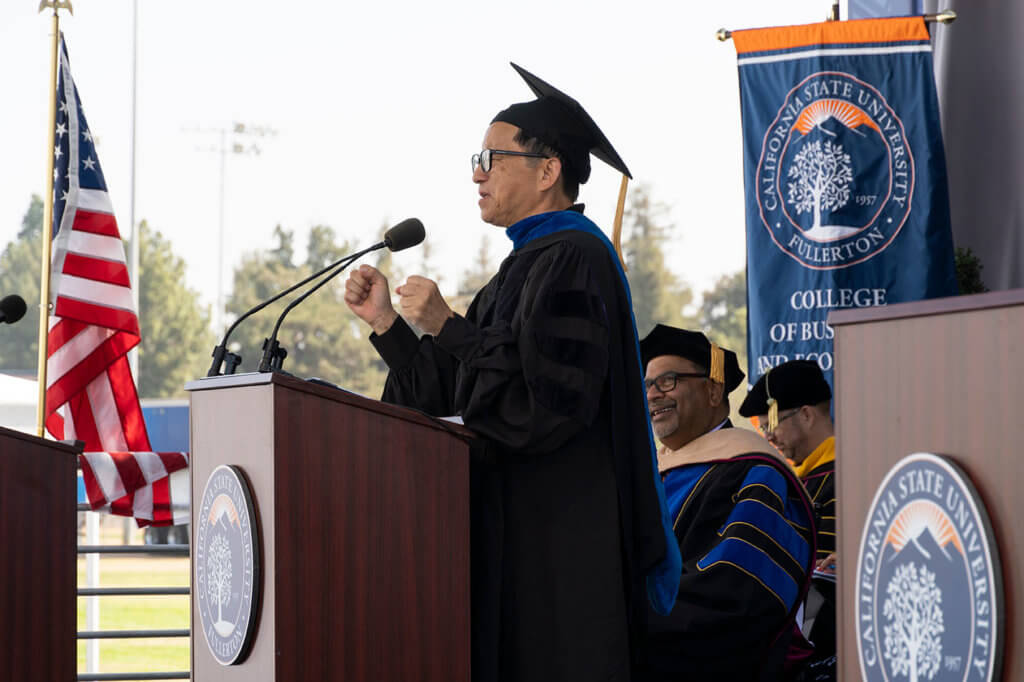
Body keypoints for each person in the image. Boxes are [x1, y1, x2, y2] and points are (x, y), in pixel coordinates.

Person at [344, 63, 679, 682]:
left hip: (562, 547)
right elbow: (455, 398)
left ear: (548, 171)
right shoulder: (524, 266)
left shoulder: (575, 257)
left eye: (492, 157)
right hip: (522, 538)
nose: (477, 172)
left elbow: (546, 408)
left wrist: (451, 325)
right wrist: (388, 324)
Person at [636, 324, 816, 681]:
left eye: (668, 380)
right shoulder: (651, 473)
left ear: (713, 389)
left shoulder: (754, 471)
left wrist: (627, 610)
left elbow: (737, 591)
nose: (653, 394)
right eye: (647, 385)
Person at [740, 360, 837, 679]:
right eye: (762, 426)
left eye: (772, 422)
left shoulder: (853, 473)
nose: (767, 436)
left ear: (807, 415)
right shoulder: (789, 484)